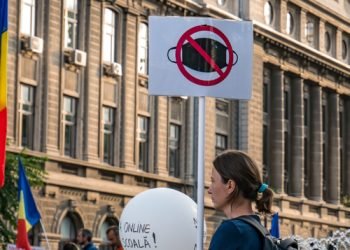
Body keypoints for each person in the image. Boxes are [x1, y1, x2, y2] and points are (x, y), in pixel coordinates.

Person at [208, 150, 274, 250]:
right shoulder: (260, 231)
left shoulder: (231, 231)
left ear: (230, 186)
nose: (209, 190)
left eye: (213, 181)